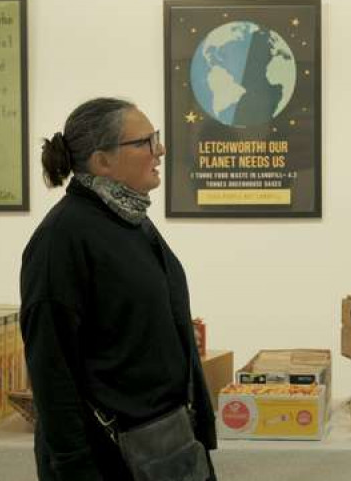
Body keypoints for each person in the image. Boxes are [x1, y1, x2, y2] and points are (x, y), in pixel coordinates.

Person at [20, 97, 217, 481]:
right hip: (110, 460)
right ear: (102, 160)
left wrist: (199, 428)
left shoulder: (130, 220)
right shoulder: (61, 240)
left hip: (164, 445)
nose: (159, 149)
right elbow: (51, 370)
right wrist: (75, 468)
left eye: (154, 138)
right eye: (145, 142)